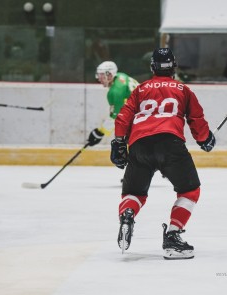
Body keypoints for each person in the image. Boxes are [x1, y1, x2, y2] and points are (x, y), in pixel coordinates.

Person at [110, 48, 216, 260]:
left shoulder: (141, 89)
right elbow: (197, 119)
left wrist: (119, 144)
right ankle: (173, 235)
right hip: (170, 144)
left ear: (153, 67)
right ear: (173, 67)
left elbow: (122, 119)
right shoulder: (183, 90)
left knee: (134, 193)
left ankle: (128, 214)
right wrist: (205, 139)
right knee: (190, 191)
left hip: (140, 145)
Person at [87, 61, 139, 147]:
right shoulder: (121, 75)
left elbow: (115, 117)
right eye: (99, 75)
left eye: (102, 75)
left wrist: (100, 133)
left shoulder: (115, 92)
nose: (99, 78)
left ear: (110, 75)